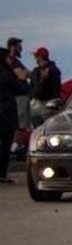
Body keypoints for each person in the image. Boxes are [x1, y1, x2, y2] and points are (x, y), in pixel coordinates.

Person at [0, 47, 30, 183]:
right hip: (5, 113)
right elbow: (21, 90)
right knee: (5, 144)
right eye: (8, 58)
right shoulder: (6, 73)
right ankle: (2, 173)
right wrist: (22, 79)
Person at [29, 47, 62, 127]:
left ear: (40, 57)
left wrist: (43, 80)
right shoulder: (36, 71)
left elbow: (52, 90)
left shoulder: (52, 71)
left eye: (36, 56)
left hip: (46, 105)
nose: (35, 59)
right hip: (38, 105)